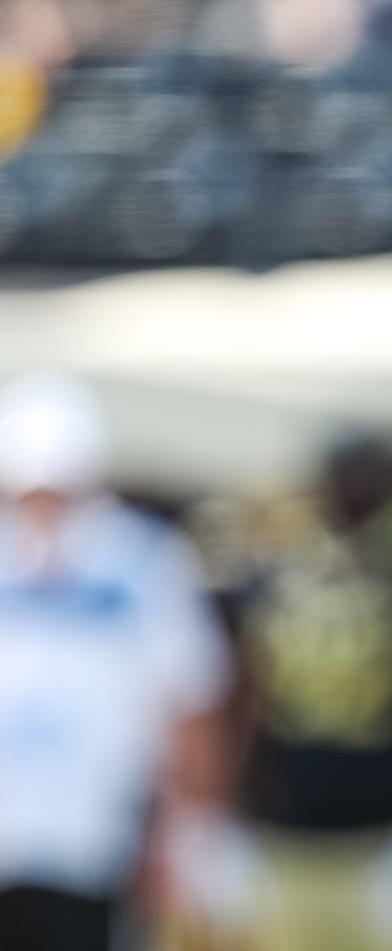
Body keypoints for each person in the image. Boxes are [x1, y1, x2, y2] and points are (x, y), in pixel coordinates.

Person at [0, 371, 233, 951]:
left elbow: (192, 704)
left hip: (99, 847)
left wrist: (191, 840)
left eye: (59, 492)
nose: (44, 511)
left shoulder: (141, 561)